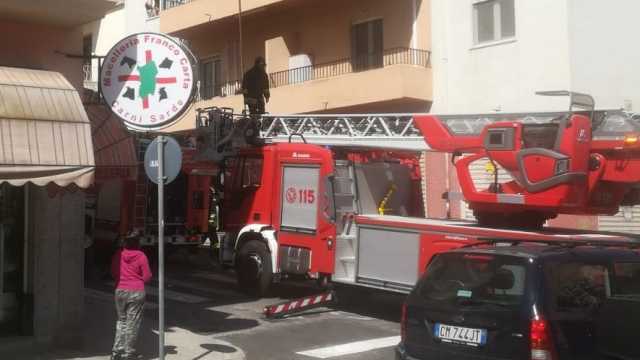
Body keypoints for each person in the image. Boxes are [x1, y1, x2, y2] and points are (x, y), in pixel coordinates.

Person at [110, 231, 152, 360]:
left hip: (120, 290)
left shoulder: (119, 254)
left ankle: (116, 351)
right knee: (132, 323)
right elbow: (147, 276)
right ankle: (129, 353)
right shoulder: (141, 256)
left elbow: (113, 272)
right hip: (136, 291)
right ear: (138, 242)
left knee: (121, 321)